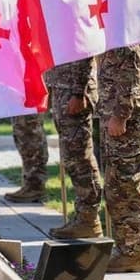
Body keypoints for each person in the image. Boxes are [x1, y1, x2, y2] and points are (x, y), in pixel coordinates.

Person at [96, 45, 140, 272]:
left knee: (126, 187)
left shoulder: (125, 31)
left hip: (127, 121)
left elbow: (130, 72)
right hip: (118, 118)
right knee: (116, 186)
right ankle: (127, 249)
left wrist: (121, 115)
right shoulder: (117, 27)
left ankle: (133, 252)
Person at [46, 59, 104, 239]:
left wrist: (79, 92)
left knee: (80, 157)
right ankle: (83, 216)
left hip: (74, 91)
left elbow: (84, 50)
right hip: (62, 86)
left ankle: (89, 218)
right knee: (71, 157)